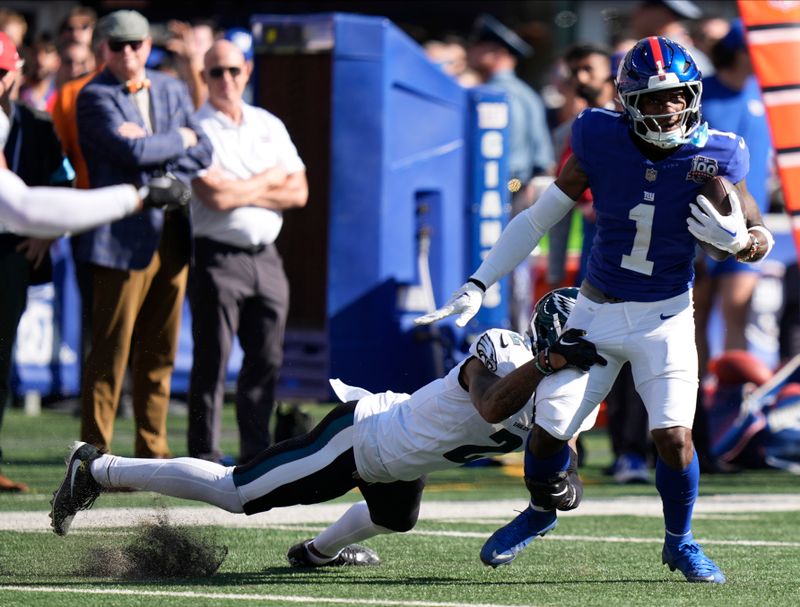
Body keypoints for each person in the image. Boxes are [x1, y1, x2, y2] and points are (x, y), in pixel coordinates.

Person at [416, 37, 775, 584]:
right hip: (597, 311)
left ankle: (680, 542)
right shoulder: (599, 137)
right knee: (550, 429)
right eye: (653, 100)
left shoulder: (719, 151)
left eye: (677, 97)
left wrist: (746, 244)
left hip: (667, 317)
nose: (668, 109)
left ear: (693, 96)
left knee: (674, 437)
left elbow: (754, 227)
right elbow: (538, 219)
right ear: (629, 101)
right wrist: (479, 281)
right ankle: (541, 511)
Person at [50, 287, 606, 569]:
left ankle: (315, 553)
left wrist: (568, 477)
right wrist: (546, 364)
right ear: (550, 343)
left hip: (401, 461)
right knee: (235, 491)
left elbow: (562, 442)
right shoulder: (504, 354)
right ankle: (98, 468)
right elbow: (490, 407)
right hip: (363, 437)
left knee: (395, 517)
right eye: (573, 352)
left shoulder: (576, 386)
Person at [74, 10, 212, 459]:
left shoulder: (171, 85)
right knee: (110, 352)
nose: (129, 52)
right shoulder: (93, 94)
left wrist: (160, 146)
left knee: (160, 349)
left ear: (149, 47)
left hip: (172, 234)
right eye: (118, 45)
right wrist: (180, 139)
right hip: (119, 238)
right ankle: (95, 454)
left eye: (136, 44)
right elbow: (129, 151)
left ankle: (152, 451)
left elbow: (205, 150)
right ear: (103, 49)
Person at [187, 40, 308, 464]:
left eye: (233, 71)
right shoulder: (196, 127)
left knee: (267, 359)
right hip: (217, 254)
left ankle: (256, 454)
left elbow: (300, 191)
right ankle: (204, 453)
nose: (226, 80)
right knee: (212, 359)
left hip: (266, 254)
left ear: (247, 71)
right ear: (203, 77)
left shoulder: (266, 123)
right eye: (216, 72)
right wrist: (269, 179)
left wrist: (241, 186)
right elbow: (214, 198)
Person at [694, 19, 774, 373]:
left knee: (737, 313)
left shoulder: (765, 94)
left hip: (751, 221)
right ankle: (695, 407)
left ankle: (731, 398)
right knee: (695, 317)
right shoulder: (701, 92)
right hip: (697, 220)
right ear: (741, 52)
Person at [467, 14, 554, 332]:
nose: (470, 53)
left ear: (493, 51)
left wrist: (512, 188)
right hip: (521, 194)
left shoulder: (494, 94)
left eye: (476, 47)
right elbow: (543, 160)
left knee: (497, 274)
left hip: (503, 193)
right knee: (517, 276)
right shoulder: (527, 93)